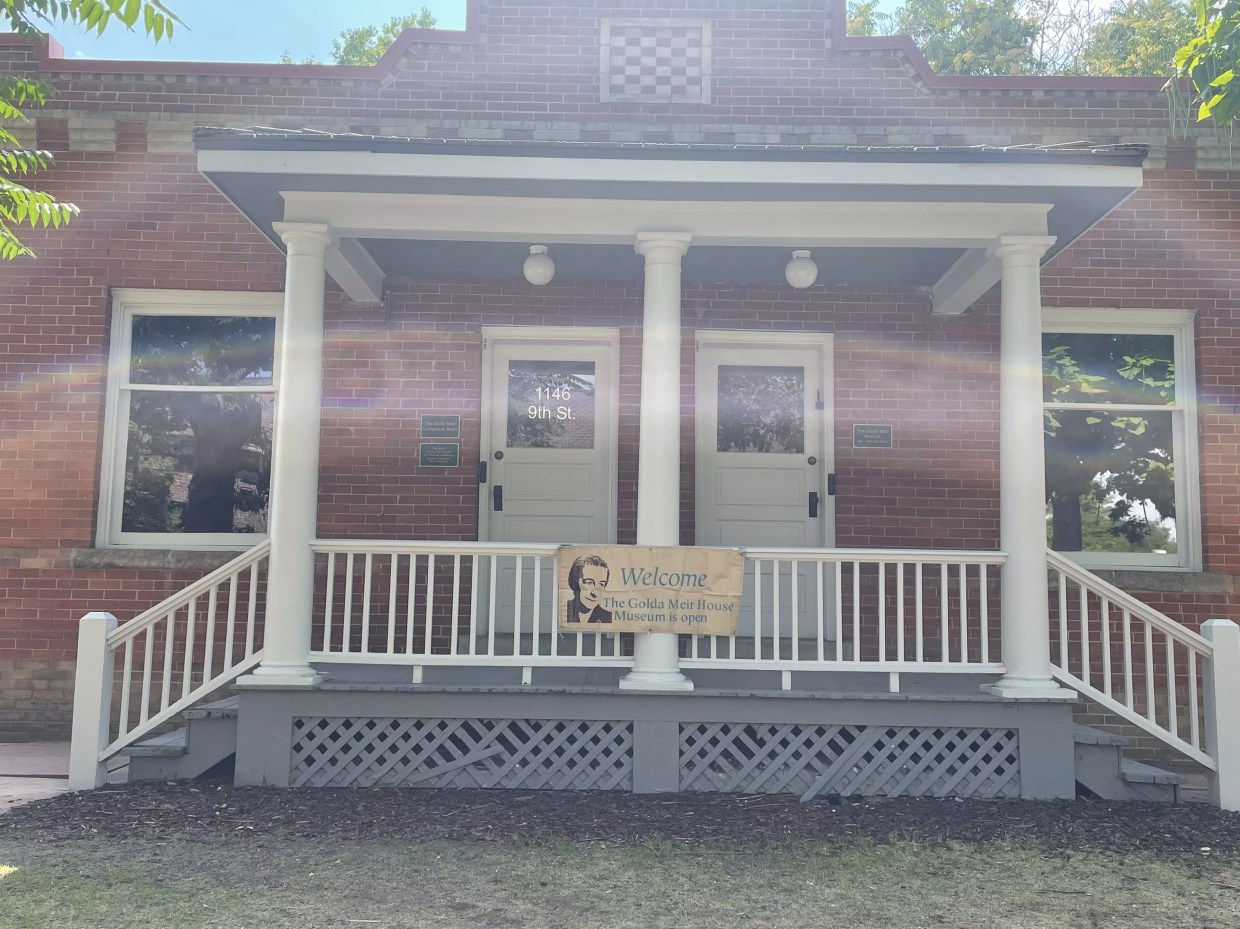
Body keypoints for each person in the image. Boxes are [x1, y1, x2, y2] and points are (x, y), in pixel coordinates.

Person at [565, 554, 613, 624]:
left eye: (601, 584)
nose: (595, 593)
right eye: (589, 582)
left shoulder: (607, 617)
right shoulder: (564, 610)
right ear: (576, 582)